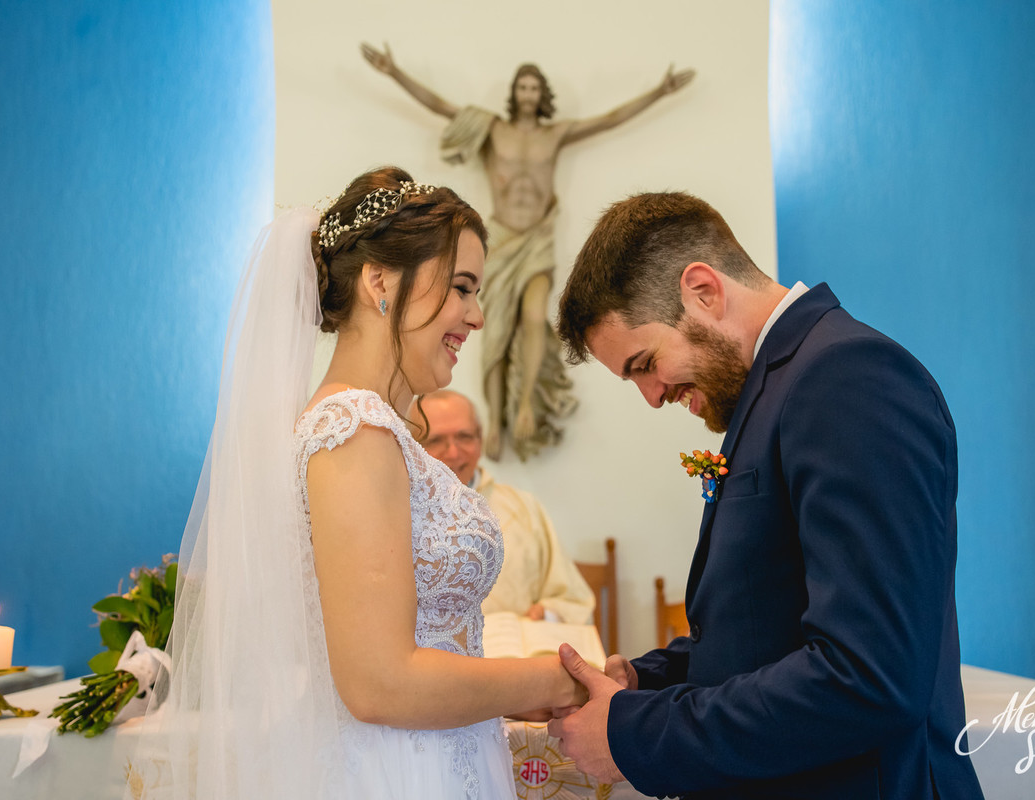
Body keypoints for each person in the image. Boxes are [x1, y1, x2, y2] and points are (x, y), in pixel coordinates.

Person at [139, 167, 584, 799]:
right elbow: (380, 684)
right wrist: (552, 681)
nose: (477, 316)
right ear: (380, 280)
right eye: (461, 287)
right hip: (399, 772)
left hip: (436, 752)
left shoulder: (378, 431)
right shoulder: (354, 431)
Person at [545, 192, 985, 799]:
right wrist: (645, 682)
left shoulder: (847, 377)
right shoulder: (784, 384)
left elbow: (867, 675)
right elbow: (766, 625)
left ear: (703, 289)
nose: (650, 395)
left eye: (645, 362)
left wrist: (636, 733)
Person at [360, 44, 694, 461]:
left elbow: (608, 120)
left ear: (543, 94)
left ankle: (523, 408)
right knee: (494, 331)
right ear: (515, 92)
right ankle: (496, 415)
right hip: (498, 239)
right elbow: (441, 106)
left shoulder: (555, 134)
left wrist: (659, 92)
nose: (528, 92)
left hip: (536, 239)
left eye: (535, 86)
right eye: (523, 85)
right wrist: (394, 71)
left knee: (536, 317)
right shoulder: (492, 130)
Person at [412, 389, 596, 624]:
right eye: (435, 440)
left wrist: (545, 614)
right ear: (412, 447)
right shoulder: (397, 513)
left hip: (514, 655)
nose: (453, 452)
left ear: (480, 439)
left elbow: (571, 600)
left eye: (464, 436)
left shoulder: (523, 507)